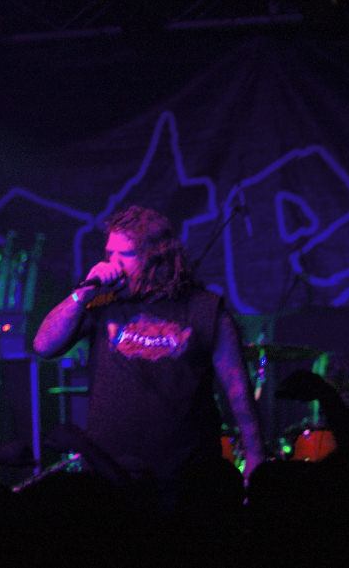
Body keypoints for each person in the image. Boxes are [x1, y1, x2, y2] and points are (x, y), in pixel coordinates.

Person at [33, 206, 264, 502]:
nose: (113, 264)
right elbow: (44, 346)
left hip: (185, 477)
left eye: (125, 254)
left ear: (156, 257)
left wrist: (255, 454)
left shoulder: (205, 308)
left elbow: (238, 389)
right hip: (109, 473)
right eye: (110, 253)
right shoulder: (103, 302)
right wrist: (82, 294)